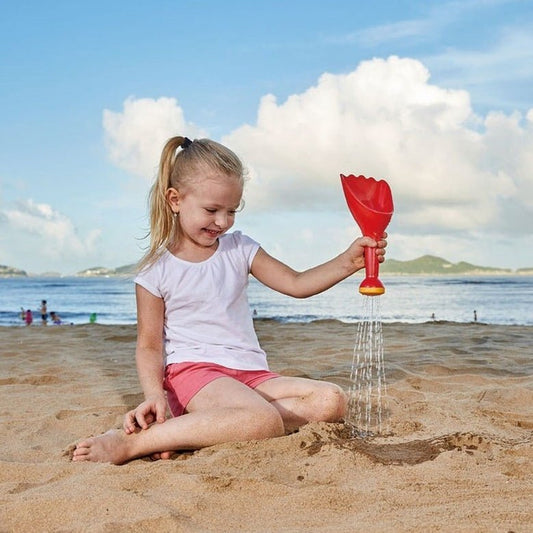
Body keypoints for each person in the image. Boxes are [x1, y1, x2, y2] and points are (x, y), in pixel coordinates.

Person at [73, 135, 387, 465]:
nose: (222, 222)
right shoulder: (156, 270)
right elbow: (149, 345)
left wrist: (348, 262)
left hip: (251, 373)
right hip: (195, 374)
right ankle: (132, 444)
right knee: (262, 420)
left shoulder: (240, 248)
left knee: (331, 401)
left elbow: (297, 283)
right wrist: (154, 395)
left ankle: (198, 430)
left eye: (231, 211)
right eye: (211, 210)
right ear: (175, 199)